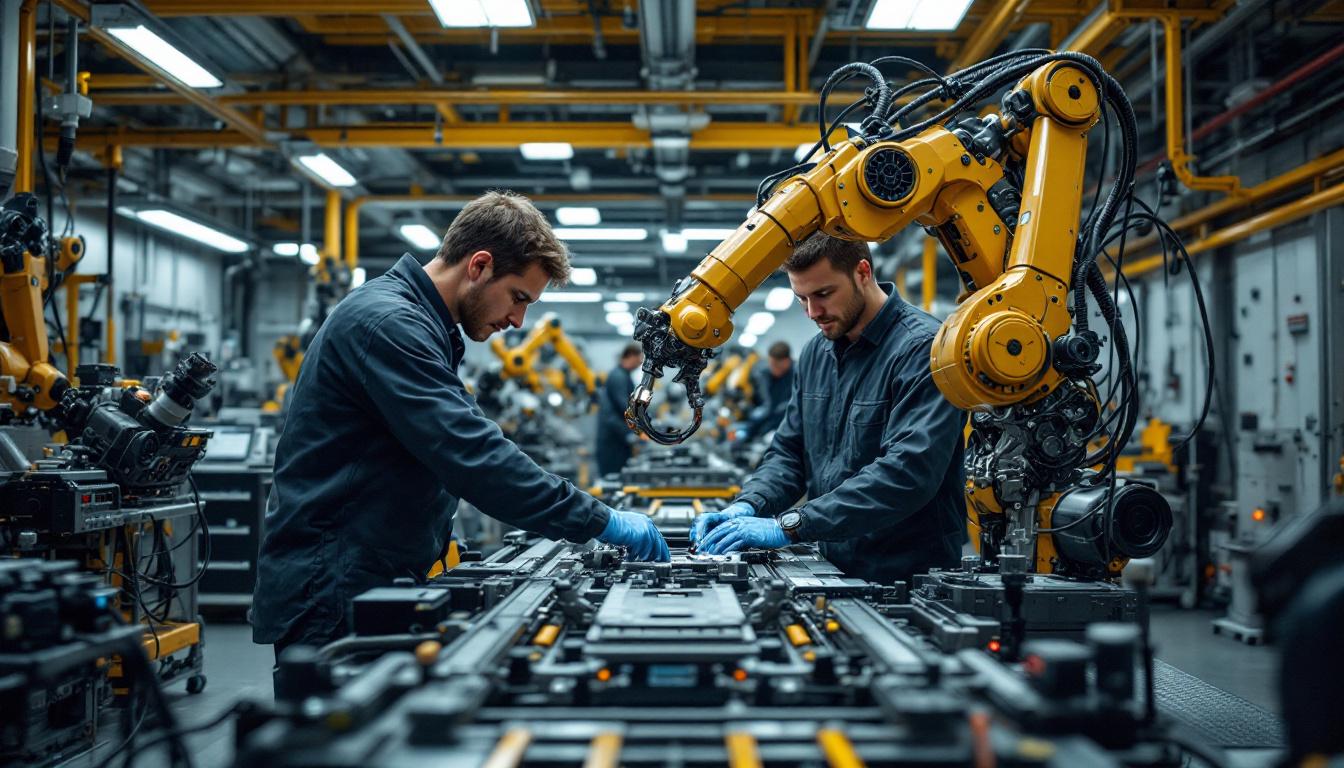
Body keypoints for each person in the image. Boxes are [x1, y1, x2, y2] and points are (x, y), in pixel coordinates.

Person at [252, 191, 669, 657]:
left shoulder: (419, 325)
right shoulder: (388, 323)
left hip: (366, 575)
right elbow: (472, 455)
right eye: (518, 297)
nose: (517, 319)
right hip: (333, 589)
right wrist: (600, 520)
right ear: (479, 266)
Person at [691, 233, 966, 585]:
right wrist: (749, 504)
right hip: (832, 566)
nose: (812, 312)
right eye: (801, 298)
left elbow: (908, 472)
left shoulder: (924, 350)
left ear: (863, 272)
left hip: (909, 577)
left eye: (823, 294)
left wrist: (790, 526)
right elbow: (789, 454)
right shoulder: (815, 354)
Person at [595, 343, 643, 478]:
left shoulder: (623, 375)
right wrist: (642, 424)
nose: (640, 363)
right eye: (640, 358)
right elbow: (626, 406)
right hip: (612, 442)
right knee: (612, 479)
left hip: (618, 439)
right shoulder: (618, 376)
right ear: (631, 356)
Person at [745, 341, 794, 439]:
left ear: (787, 361)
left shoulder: (797, 376)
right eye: (771, 364)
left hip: (784, 420)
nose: (772, 368)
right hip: (767, 414)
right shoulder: (765, 374)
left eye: (776, 365)